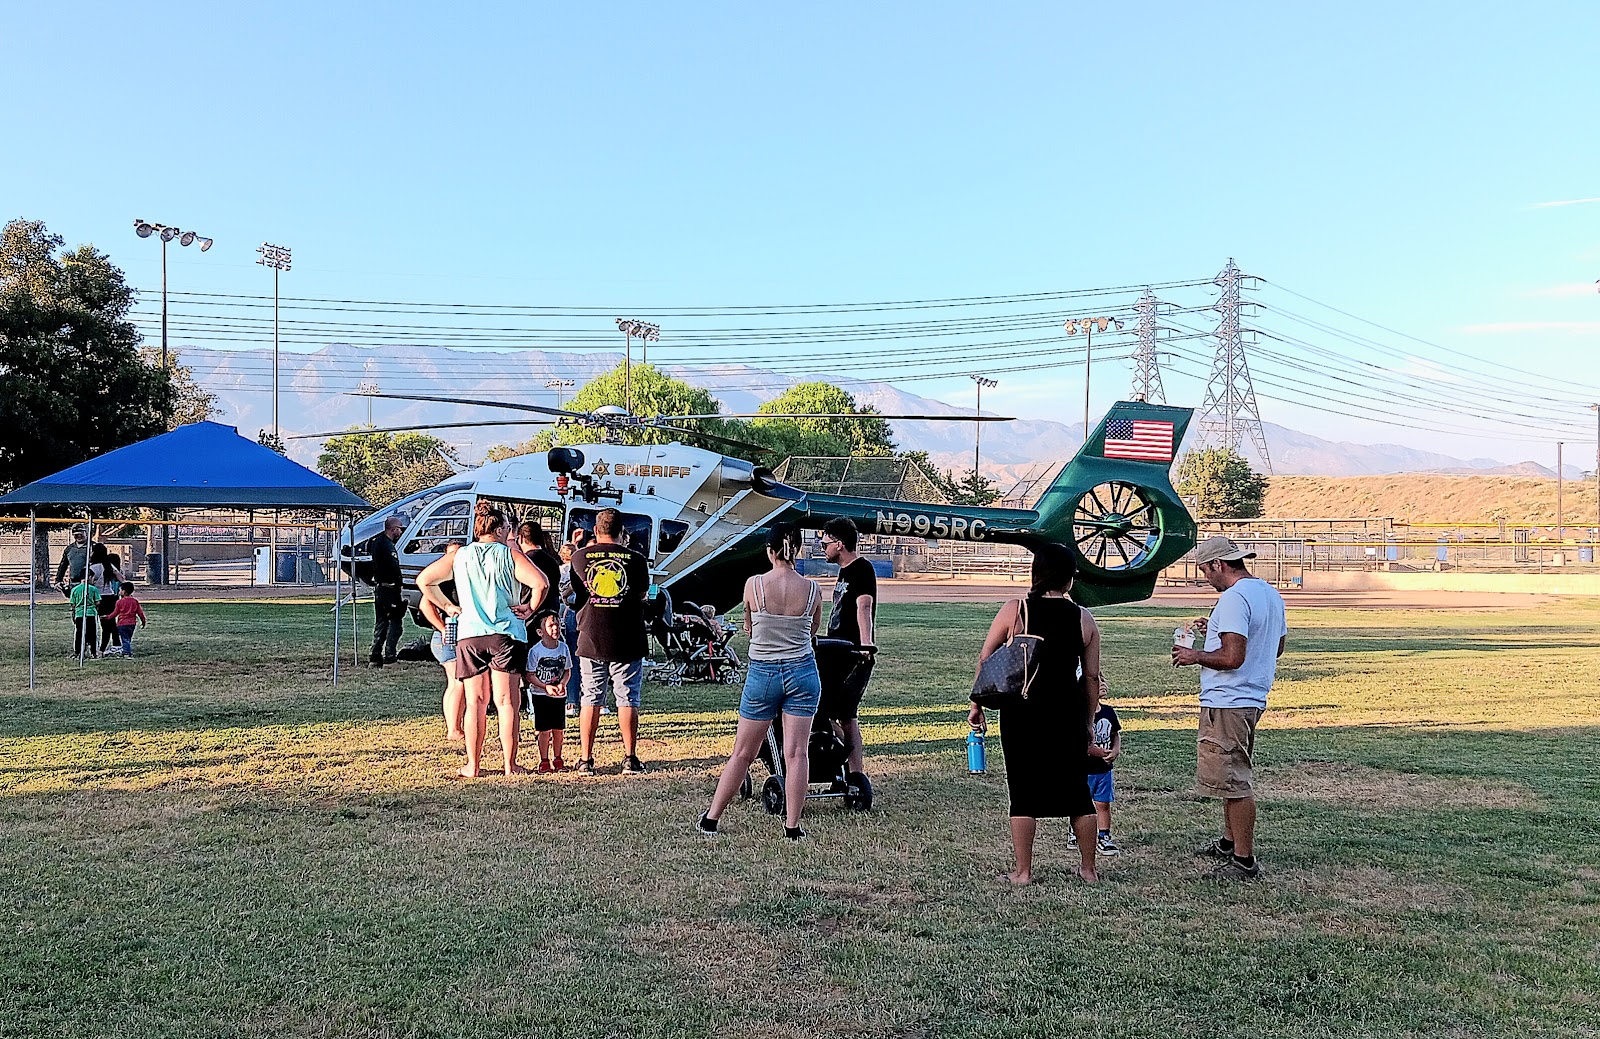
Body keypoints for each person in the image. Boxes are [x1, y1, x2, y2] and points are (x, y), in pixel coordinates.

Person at [969, 543, 1102, 886]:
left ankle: (1023, 872)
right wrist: (1088, 721)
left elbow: (986, 658)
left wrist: (977, 704)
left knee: (1023, 791)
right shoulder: (1084, 618)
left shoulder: (1016, 610)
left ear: (1036, 573)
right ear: (1069, 579)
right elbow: (1091, 677)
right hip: (1067, 712)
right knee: (1078, 792)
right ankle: (1088, 869)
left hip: (1022, 711)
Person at [1172, 535, 1287, 881]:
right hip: (1251, 697)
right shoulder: (1269, 593)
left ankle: (1243, 860)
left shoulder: (1234, 598)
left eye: (1205, 571)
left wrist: (1195, 655)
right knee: (1229, 774)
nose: (1207, 579)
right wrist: (1216, 632)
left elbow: (1232, 657)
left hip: (1229, 700)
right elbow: (1276, 645)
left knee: (1235, 779)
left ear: (1217, 564)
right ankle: (1228, 841)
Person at [698, 523, 823, 840]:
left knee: (742, 753)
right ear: (798, 549)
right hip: (802, 672)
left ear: (769, 551)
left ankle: (712, 819)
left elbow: (750, 627)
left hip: (763, 673)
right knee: (797, 753)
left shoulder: (753, 585)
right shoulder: (812, 590)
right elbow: (811, 631)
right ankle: (792, 826)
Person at [420, 503, 548, 778]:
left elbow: (425, 581)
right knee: (507, 702)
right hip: (506, 633)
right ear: (499, 530)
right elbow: (541, 583)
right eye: (507, 528)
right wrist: (530, 609)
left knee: (475, 702)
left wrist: (448, 606)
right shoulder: (510, 555)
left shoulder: (460, 555)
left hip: (470, 635)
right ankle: (510, 765)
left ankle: (473, 765)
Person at [569, 507, 651, 776]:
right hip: (627, 635)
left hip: (591, 635)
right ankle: (630, 757)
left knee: (591, 696)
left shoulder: (579, 557)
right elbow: (642, 593)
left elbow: (577, 592)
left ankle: (585, 759)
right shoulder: (636, 560)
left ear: (596, 530)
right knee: (627, 696)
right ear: (622, 532)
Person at [820, 517, 876, 775]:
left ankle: (854, 770)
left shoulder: (861, 569)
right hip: (835, 649)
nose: (823, 548)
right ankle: (848, 769)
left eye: (826, 544)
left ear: (839, 544)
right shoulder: (845, 570)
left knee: (844, 714)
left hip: (849, 651)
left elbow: (864, 606)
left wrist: (865, 645)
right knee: (837, 714)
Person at [416, 541, 467, 743]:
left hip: (458, 635)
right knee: (458, 682)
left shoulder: (463, 578)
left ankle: (457, 726)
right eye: (450, 554)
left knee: (459, 683)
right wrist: (442, 628)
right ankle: (453, 729)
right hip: (448, 636)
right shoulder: (443, 581)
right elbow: (424, 605)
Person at [525, 609, 572, 773]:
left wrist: (562, 684)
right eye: (551, 625)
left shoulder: (564, 648)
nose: (555, 628)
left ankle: (558, 758)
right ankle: (544, 760)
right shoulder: (535, 651)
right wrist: (545, 687)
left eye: (557, 624)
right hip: (540, 696)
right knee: (544, 730)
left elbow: (567, 671)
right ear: (540, 632)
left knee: (559, 729)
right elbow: (530, 675)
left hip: (559, 696)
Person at [1084, 680, 1122, 855]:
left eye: (1103, 681)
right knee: (1082, 806)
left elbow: (1115, 734)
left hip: (1104, 770)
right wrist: (1096, 752)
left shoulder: (1108, 712)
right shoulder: (1081, 714)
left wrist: (1115, 750)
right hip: (1084, 771)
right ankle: (1075, 833)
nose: (1102, 685)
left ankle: (1104, 836)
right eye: (1097, 681)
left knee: (1103, 804)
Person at [369, 516, 407, 668]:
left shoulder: (379, 543)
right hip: (388, 589)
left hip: (383, 588)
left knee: (382, 623)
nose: (400, 532)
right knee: (395, 624)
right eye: (399, 529)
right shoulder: (385, 544)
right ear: (393, 529)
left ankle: (375, 657)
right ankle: (390, 657)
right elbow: (392, 566)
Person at [558, 542, 583, 717]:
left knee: (571, 657)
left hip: (565, 611)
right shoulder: (580, 570)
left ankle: (571, 701)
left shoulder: (560, 571)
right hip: (581, 610)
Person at [91, 547, 124, 656]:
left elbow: (88, 581)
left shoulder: (93, 568)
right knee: (111, 622)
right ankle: (116, 644)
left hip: (99, 596)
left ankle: (101, 649)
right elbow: (121, 578)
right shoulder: (109, 566)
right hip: (110, 596)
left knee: (104, 624)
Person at [110, 582, 148, 658]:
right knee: (128, 638)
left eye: (120, 590)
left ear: (124, 591)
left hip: (122, 623)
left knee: (124, 639)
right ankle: (127, 650)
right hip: (132, 623)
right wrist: (143, 621)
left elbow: (115, 613)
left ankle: (126, 653)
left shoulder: (119, 602)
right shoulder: (135, 601)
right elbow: (140, 613)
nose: (119, 592)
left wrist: (107, 617)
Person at [68, 572, 100, 658]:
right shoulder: (93, 589)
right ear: (89, 577)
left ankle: (77, 652)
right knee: (92, 633)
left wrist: (74, 613)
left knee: (79, 633)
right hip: (91, 613)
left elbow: (73, 604)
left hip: (79, 613)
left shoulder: (74, 590)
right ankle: (93, 652)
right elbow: (97, 602)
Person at [53, 526, 90, 593]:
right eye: (76, 535)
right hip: (73, 583)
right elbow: (63, 566)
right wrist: (58, 580)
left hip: (89, 583)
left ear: (86, 533)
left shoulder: (93, 547)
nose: (79, 536)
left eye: (81, 534)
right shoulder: (69, 548)